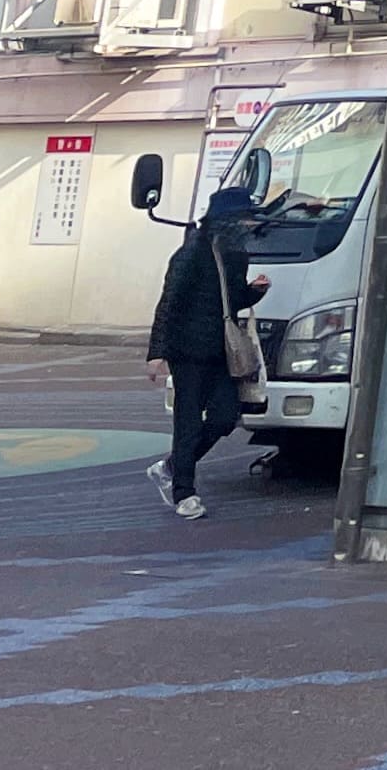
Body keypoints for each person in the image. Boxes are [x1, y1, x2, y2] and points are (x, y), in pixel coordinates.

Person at [144, 183, 266, 520]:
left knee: (225, 417)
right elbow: (169, 302)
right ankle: (185, 492)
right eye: (242, 220)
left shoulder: (236, 254)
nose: (247, 227)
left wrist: (254, 293)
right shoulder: (191, 252)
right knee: (188, 424)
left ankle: (170, 467)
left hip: (222, 352)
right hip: (187, 352)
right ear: (226, 221)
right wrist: (157, 353)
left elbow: (233, 300)